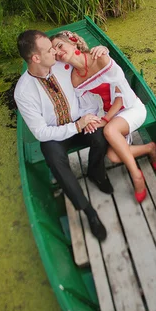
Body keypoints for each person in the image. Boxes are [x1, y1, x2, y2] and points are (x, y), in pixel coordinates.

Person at [14, 30, 111, 241]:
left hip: (79, 121)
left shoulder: (62, 64)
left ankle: (95, 171)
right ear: (35, 58)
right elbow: (40, 132)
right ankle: (88, 211)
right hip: (55, 134)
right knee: (53, 158)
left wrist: (103, 51)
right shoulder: (23, 92)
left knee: (100, 135)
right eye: (50, 50)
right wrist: (76, 127)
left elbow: (88, 62)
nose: (55, 52)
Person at [50, 31, 156, 203]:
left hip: (129, 107)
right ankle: (150, 148)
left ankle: (137, 176)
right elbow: (88, 107)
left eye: (59, 46)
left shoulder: (100, 57)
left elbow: (120, 92)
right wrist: (89, 120)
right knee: (114, 156)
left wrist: (106, 119)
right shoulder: (74, 79)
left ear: (73, 42)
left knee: (110, 130)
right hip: (109, 116)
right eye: (54, 51)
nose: (58, 52)